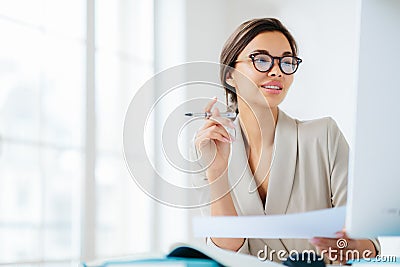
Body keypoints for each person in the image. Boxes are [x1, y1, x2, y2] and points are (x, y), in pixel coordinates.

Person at [192, 18, 379, 264]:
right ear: (230, 76)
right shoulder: (210, 147)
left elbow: (368, 243)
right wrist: (217, 172)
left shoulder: (323, 136)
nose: (277, 71)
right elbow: (226, 251)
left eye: (286, 61)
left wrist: (347, 246)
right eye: (261, 59)